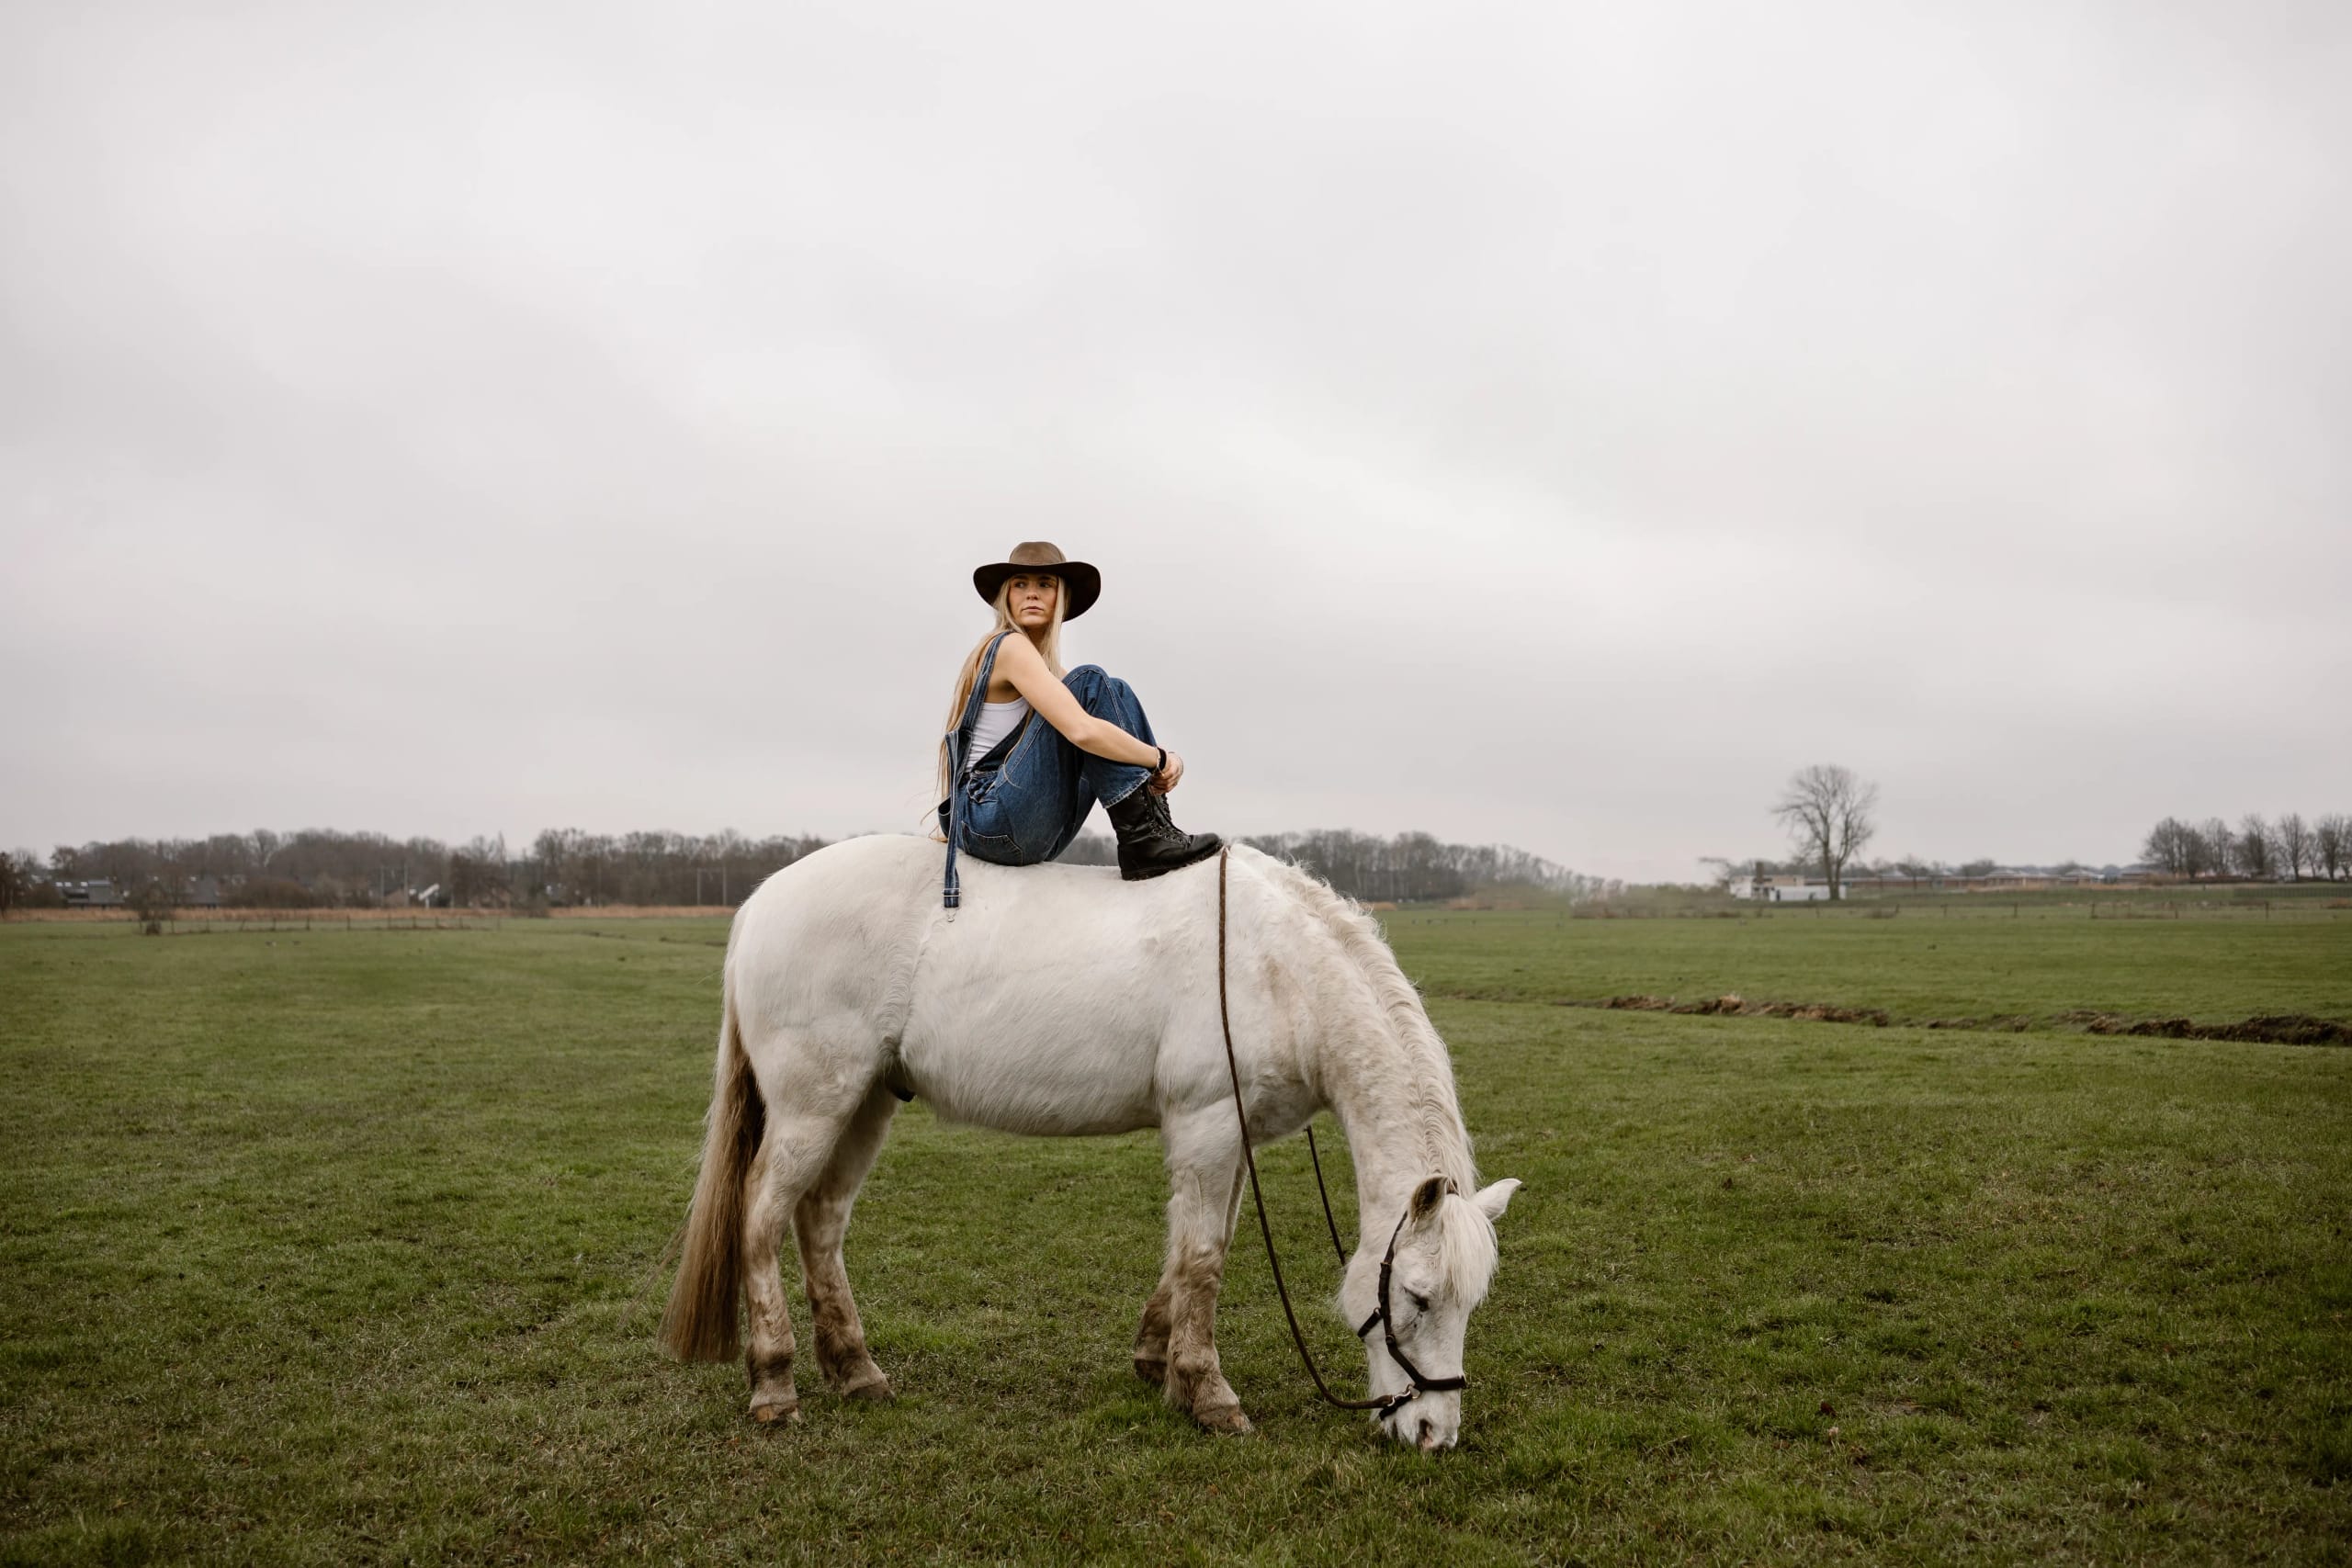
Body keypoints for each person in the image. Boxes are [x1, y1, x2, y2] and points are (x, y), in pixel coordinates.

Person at [937, 542, 1220, 894]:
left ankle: (1152, 829)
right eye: (1020, 584)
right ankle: (1144, 840)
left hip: (1032, 828)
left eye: (1045, 584)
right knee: (1091, 684)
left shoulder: (1049, 673)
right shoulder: (1008, 646)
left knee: (1114, 691)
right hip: (989, 818)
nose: (1032, 594)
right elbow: (1082, 732)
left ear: (1062, 599)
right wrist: (1160, 758)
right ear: (1006, 597)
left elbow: (1100, 726)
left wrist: (1155, 759)